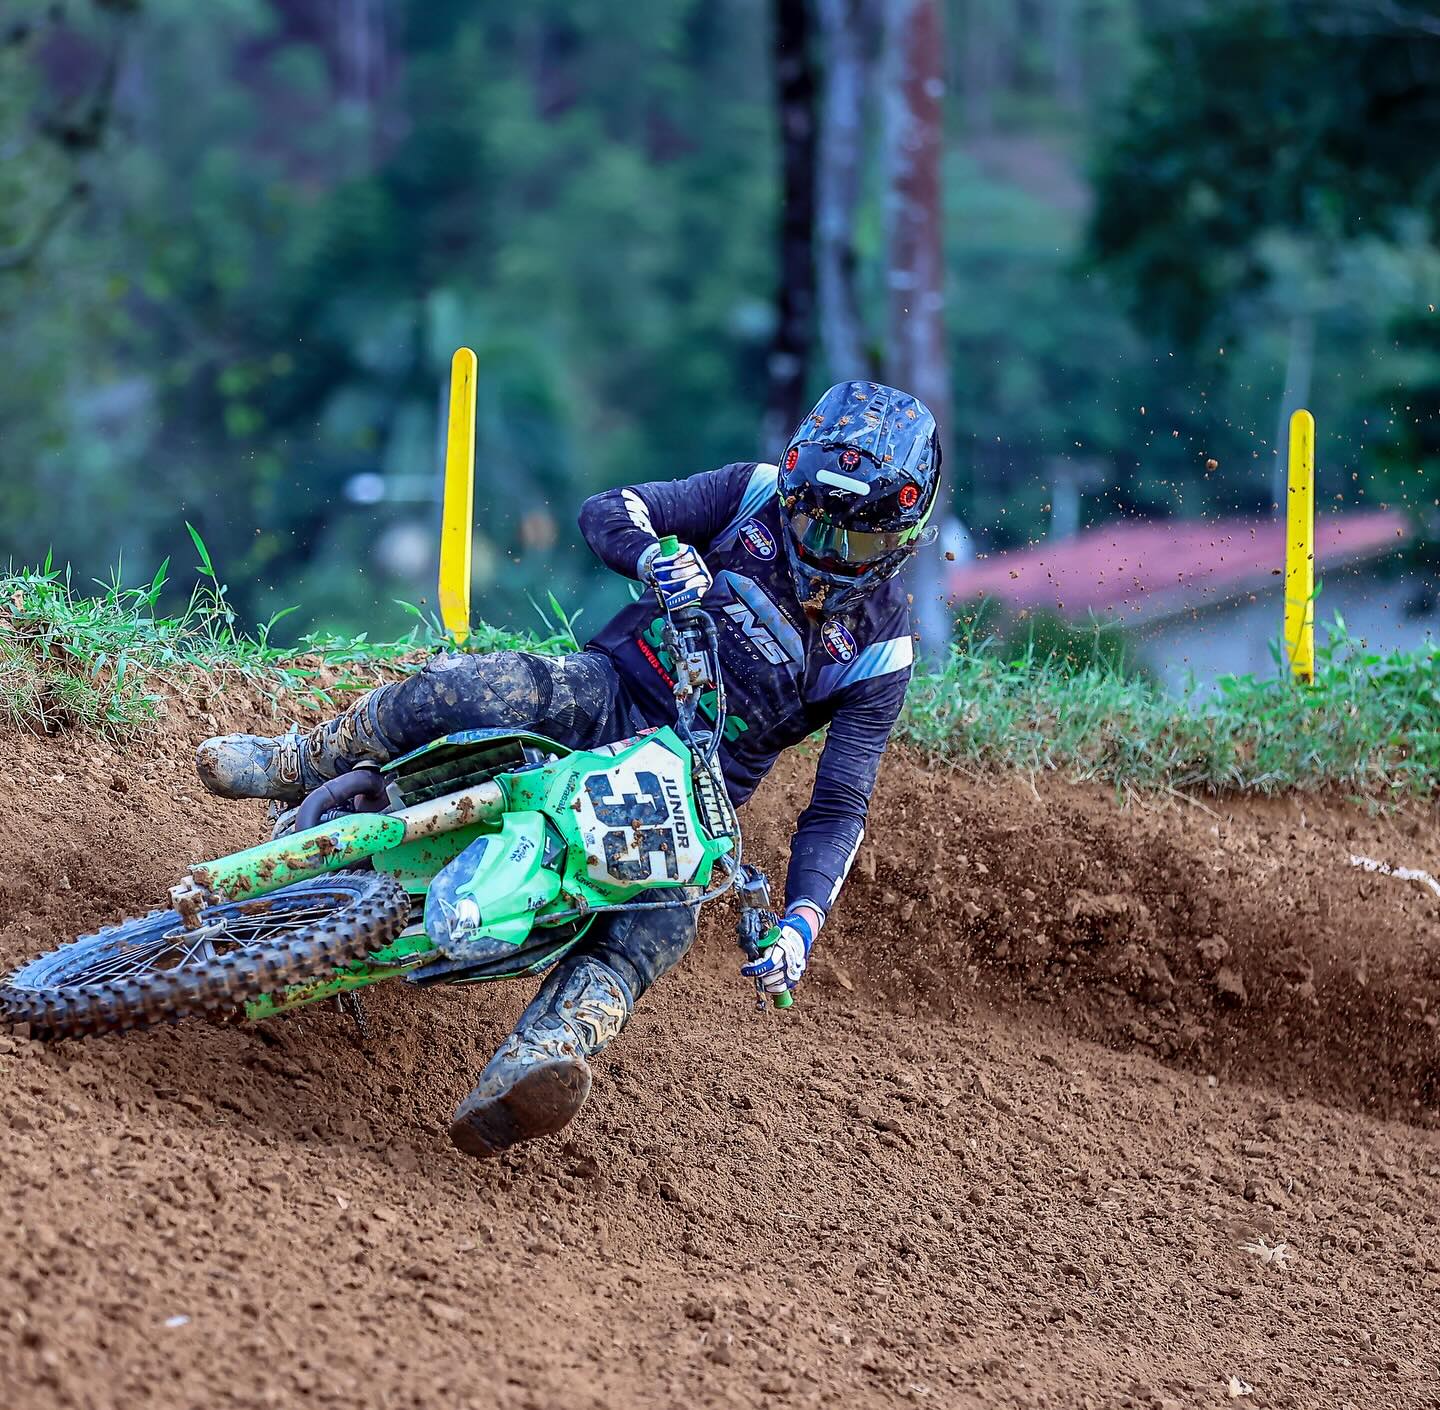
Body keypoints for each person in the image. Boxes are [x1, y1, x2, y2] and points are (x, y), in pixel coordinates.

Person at [196, 381, 941, 1158]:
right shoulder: (750, 493)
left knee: (665, 919)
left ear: (903, 536)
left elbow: (840, 803)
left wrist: (801, 921)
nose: (822, 548)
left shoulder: (882, 652)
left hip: (692, 787)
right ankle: (297, 758)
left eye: (851, 541)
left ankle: (543, 1054)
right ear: (790, 486)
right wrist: (654, 555)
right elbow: (609, 508)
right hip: (613, 687)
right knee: (478, 687)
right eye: (811, 517)